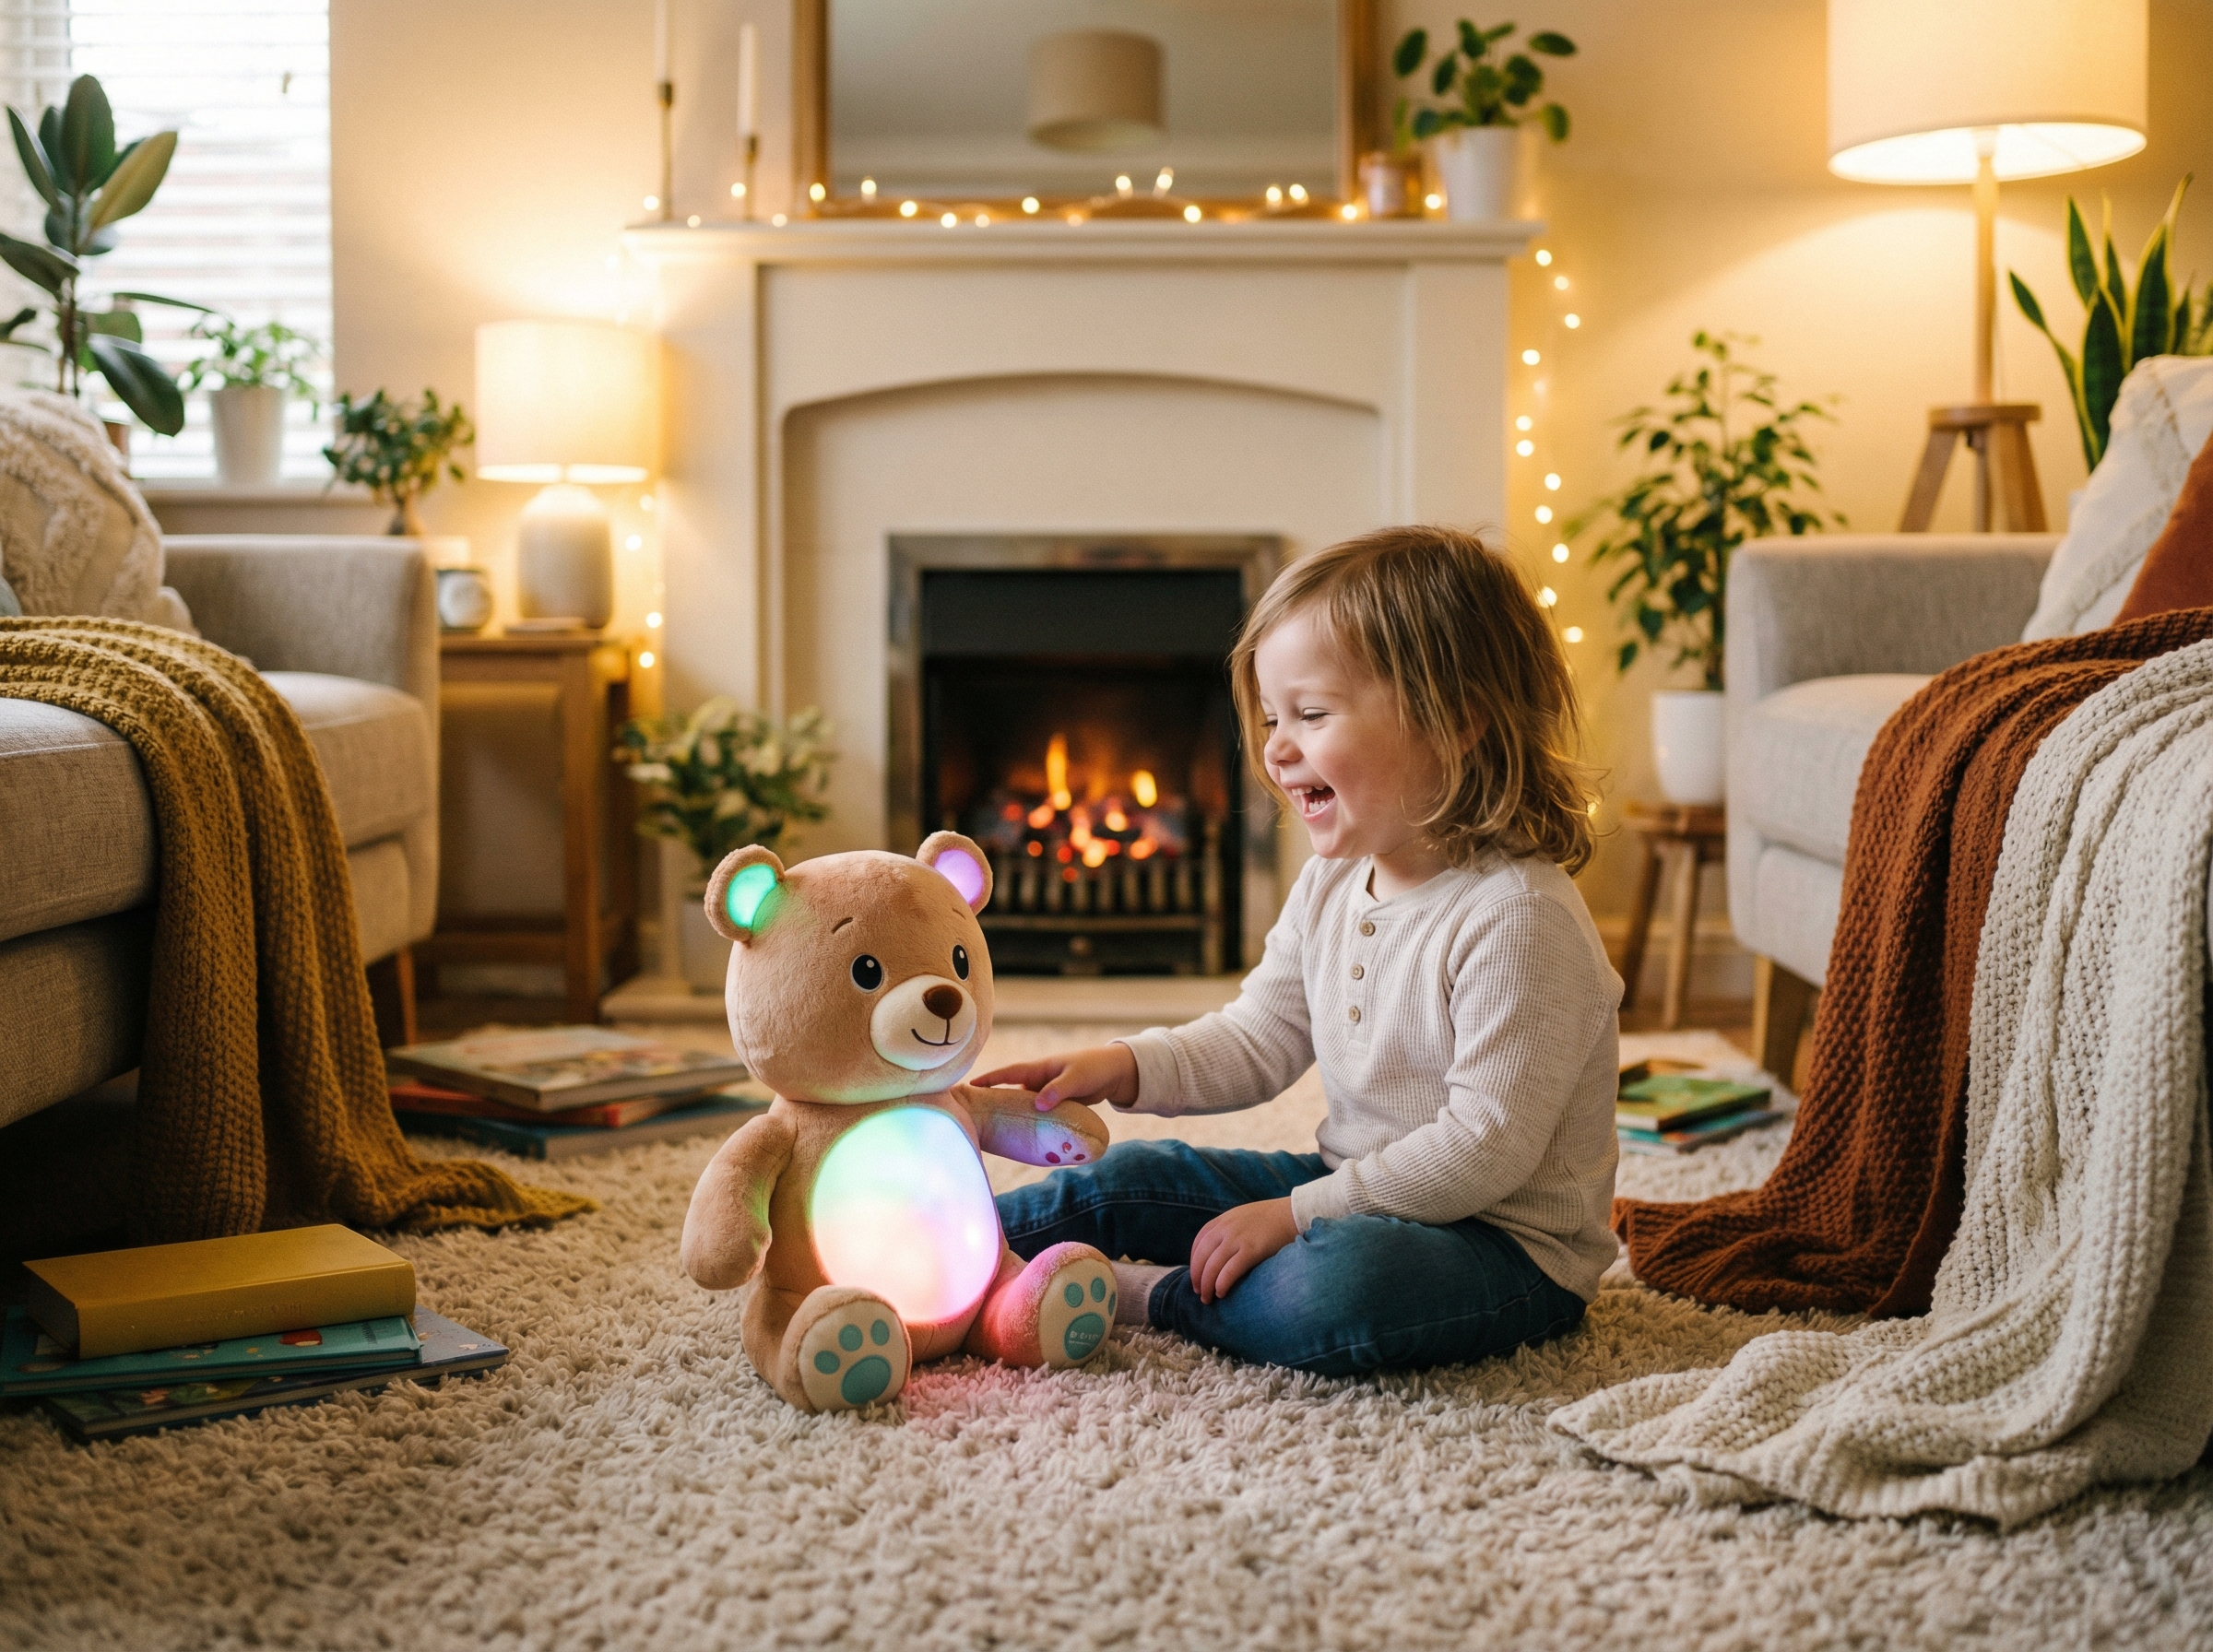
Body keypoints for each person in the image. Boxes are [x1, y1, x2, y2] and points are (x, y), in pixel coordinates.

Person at [973, 525, 1622, 1377]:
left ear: (1455, 721)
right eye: (1274, 718)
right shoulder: (1333, 882)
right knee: (1139, 1175)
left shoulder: (1517, 918)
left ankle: (1140, 1295)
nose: (1276, 748)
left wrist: (1296, 1216)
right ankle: (955, 1249)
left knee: (1334, 1292)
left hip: (1499, 1246)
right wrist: (1123, 1066)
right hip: (1345, 1182)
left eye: (1311, 715)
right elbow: (1260, 1037)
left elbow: (1480, 1153)